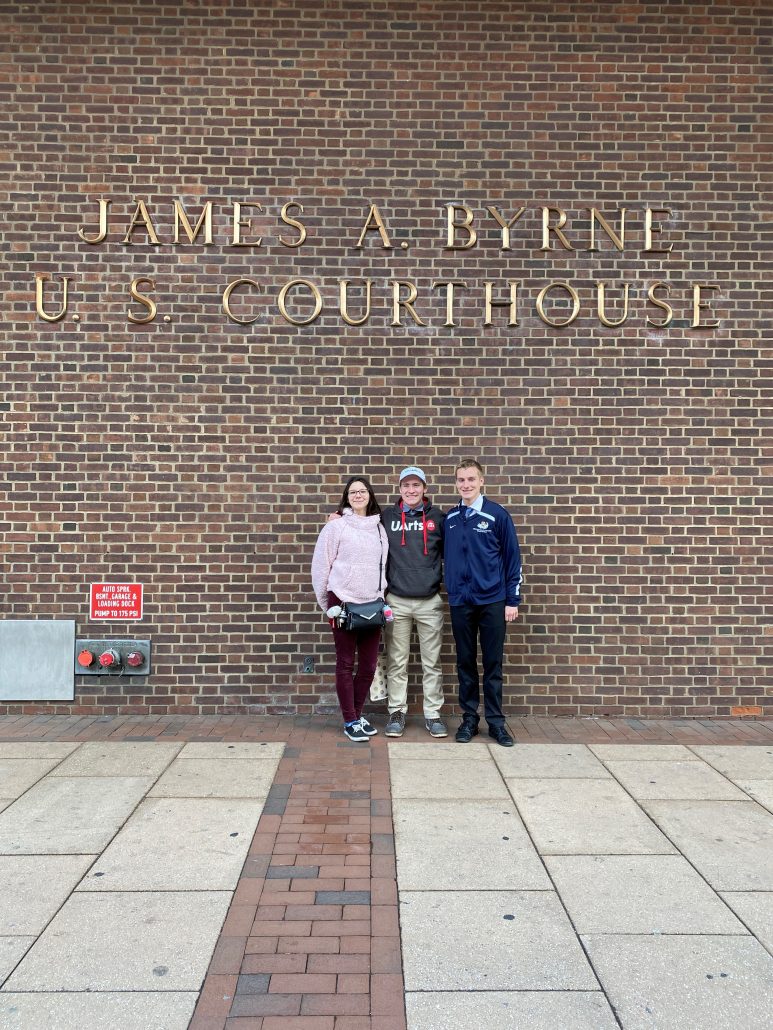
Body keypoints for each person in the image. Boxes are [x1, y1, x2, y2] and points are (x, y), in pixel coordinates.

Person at [443, 459, 522, 747]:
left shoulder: (497, 515)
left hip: (493, 601)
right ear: (456, 483)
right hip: (461, 601)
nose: (466, 485)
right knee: (464, 662)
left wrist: (512, 599)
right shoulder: (450, 518)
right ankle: (469, 719)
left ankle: (497, 723)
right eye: (461, 480)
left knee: (492, 663)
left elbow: (513, 559)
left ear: (481, 481)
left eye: (471, 479)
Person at [312, 476, 389, 742]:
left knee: (368, 666)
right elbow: (321, 568)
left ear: (370, 495)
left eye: (362, 491)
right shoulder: (336, 528)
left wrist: (381, 597)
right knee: (345, 663)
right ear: (347, 497)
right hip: (342, 604)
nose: (358, 495)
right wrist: (328, 605)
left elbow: (383, 567)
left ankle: (356, 715)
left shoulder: (379, 529)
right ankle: (350, 720)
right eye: (352, 491)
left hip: (372, 605)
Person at [381, 466, 447, 738]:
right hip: (396, 600)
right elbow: (357, 518)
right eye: (406, 485)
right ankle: (397, 712)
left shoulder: (438, 518)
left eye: (416, 485)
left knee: (432, 662)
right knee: (397, 661)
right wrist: (339, 516)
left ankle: (433, 714)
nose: (411, 490)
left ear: (424, 489)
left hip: (429, 600)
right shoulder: (386, 517)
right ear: (399, 489)